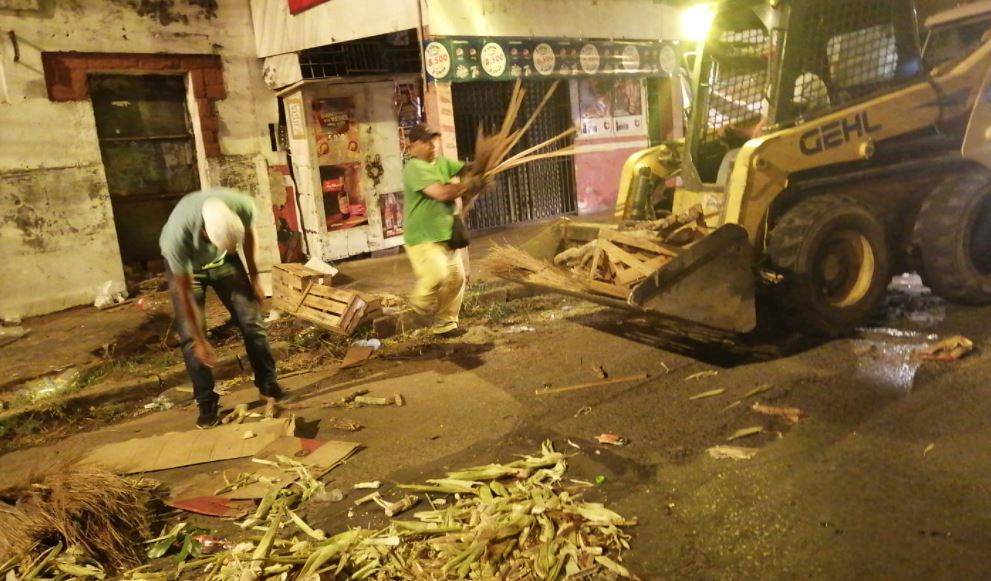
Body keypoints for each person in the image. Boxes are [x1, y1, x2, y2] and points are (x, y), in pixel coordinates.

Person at [160, 188, 285, 428]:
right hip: (189, 270)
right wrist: (200, 338)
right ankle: (206, 402)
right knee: (191, 338)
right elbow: (185, 293)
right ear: (204, 231)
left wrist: (255, 277)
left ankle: (268, 385)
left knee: (252, 321)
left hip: (226, 264)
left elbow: (249, 235)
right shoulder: (175, 239)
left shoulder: (241, 204)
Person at [401, 124, 483, 338]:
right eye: (426, 141)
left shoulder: (442, 163)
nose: (432, 145)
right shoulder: (414, 168)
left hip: (446, 235)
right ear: (412, 147)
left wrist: (483, 168)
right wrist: (467, 185)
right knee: (437, 273)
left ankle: (445, 325)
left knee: (456, 280)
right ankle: (418, 306)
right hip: (423, 238)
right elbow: (441, 193)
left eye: (434, 140)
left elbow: (467, 169)